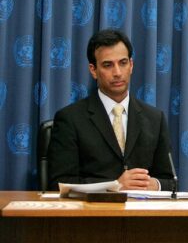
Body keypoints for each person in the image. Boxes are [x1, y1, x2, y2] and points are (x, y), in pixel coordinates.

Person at [47, 29, 175, 191]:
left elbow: (171, 182)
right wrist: (114, 185)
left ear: (131, 65)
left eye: (123, 63)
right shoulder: (70, 118)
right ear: (93, 70)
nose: (117, 73)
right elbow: (59, 183)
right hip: (91, 213)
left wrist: (154, 185)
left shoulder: (155, 118)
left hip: (141, 213)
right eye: (108, 65)